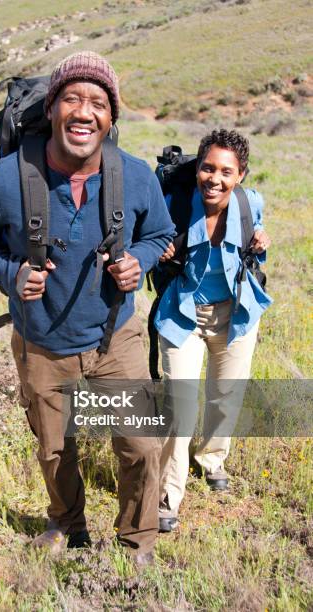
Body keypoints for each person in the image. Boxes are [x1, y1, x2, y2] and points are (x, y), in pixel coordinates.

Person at [0, 51, 175, 564]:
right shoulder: (4, 179)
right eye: (71, 97)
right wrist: (12, 273)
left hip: (114, 336)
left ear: (111, 118)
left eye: (98, 102)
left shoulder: (136, 177)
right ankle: (67, 525)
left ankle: (136, 541)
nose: (84, 111)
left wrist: (137, 259)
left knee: (140, 444)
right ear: (52, 108)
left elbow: (160, 231)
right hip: (41, 340)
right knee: (55, 449)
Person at [154, 129, 273, 532]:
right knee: (179, 408)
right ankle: (168, 494)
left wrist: (261, 240)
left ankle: (212, 459)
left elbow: (258, 245)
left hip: (236, 313)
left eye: (226, 171)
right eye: (207, 168)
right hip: (183, 313)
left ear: (240, 175)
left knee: (226, 394)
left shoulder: (249, 202)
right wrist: (160, 250)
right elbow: (146, 244)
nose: (214, 179)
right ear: (197, 167)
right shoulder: (174, 203)